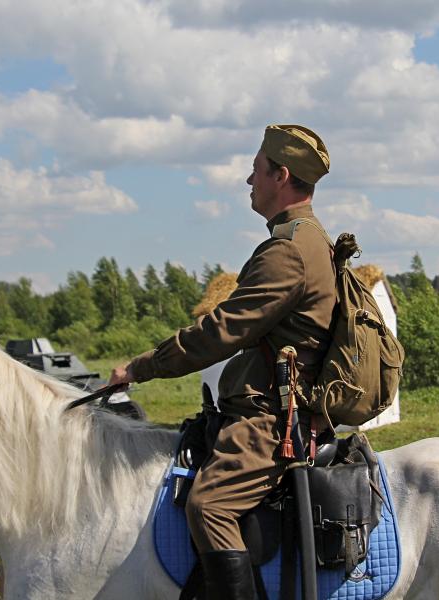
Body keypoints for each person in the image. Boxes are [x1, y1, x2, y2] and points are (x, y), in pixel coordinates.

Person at [109, 124, 335, 600]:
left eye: (255, 171)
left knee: (209, 506)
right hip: (270, 407)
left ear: (282, 175)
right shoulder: (310, 239)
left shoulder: (289, 250)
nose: (247, 181)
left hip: (268, 418)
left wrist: (142, 367)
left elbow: (222, 331)